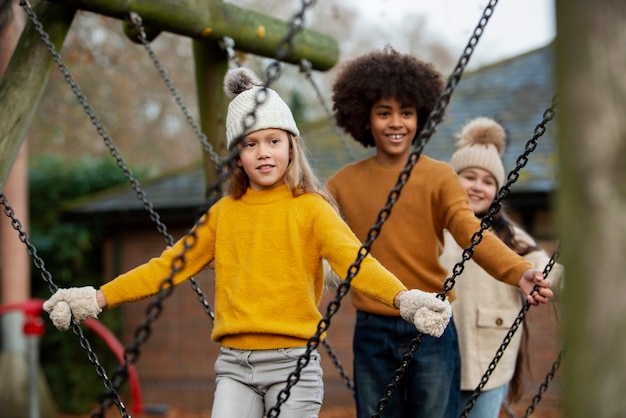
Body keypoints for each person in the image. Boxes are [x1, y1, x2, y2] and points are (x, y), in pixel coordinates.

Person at [42, 67, 453, 418]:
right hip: (235, 366)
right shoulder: (224, 215)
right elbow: (166, 267)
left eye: (273, 141)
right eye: (250, 144)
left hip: (294, 360)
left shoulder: (310, 209)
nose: (263, 153)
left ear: (291, 146)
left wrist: (403, 300)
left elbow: (354, 261)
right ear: (237, 157)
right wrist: (97, 298)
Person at [325, 46, 553, 418]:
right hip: (371, 330)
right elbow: (314, 235)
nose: (396, 122)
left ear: (421, 117)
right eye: (384, 113)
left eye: (407, 113)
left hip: (430, 324)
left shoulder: (438, 177)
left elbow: (470, 233)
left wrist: (519, 271)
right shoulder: (343, 184)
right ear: (364, 119)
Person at [440, 116, 564, 418]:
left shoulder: (511, 236)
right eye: (469, 177)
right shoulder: (435, 231)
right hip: (437, 353)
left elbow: (545, 269)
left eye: (488, 181)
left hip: (491, 352)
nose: (477, 187)